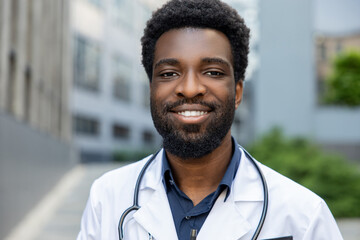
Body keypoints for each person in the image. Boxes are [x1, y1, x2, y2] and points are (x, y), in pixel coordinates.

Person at [77, 0, 343, 239]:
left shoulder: (304, 216)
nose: (190, 88)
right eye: (169, 73)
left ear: (237, 92)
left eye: (213, 72)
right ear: (151, 90)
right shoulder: (108, 199)